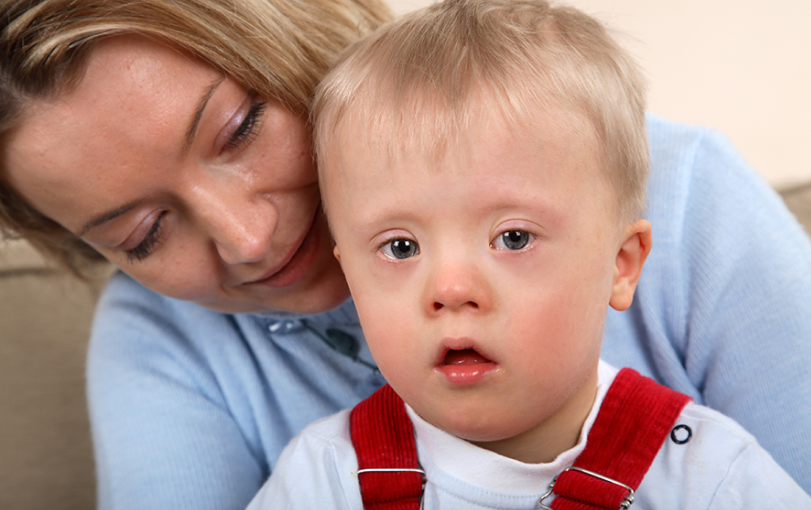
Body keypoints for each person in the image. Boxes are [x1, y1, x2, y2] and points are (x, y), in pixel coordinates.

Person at [0, 0, 809, 508]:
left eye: (239, 130)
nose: (247, 238)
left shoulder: (684, 193)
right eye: (143, 233)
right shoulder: (186, 361)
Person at [249, 1, 811, 507]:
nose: (450, 289)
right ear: (350, 274)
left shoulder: (710, 479)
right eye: (401, 247)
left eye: (513, 238)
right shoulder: (325, 479)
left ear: (621, 265)